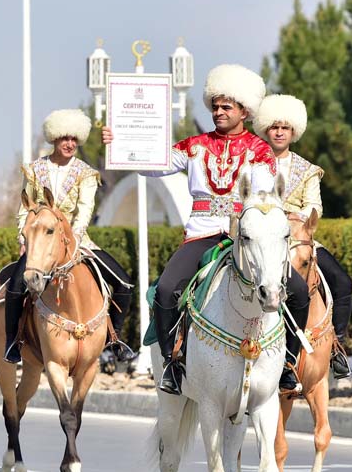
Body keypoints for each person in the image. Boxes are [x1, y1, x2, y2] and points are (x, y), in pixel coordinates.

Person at [104, 64, 308, 394]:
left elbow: (262, 196)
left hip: (244, 239)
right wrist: (119, 145)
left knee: (297, 291)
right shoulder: (194, 145)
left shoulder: (259, 151)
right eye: (214, 106)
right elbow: (154, 165)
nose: (218, 111)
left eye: (226, 106)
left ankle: (287, 365)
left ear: (244, 110)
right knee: (167, 289)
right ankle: (171, 364)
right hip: (200, 235)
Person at [4, 108, 135, 365]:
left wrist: (73, 239)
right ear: (54, 139)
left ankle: (114, 339)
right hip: (40, 243)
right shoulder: (34, 170)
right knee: (15, 287)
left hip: (77, 241)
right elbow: (25, 210)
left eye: (75, 139)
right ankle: (12, 343)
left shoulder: (86, 173)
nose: (70, 144)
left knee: (124, 283)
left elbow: (86, 209)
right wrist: (25, 240)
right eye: (65, 138)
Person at [254, 93, 352, 379]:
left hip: (299, 238)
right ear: (266, 130)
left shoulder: (308, 170)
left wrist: (297, 218)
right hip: (264, 241)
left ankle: (336, 346)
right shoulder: (253, 164)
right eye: (274, 127)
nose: (280, 132)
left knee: (342, 282)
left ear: (293, 131)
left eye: (285, 127)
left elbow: (315, 207)